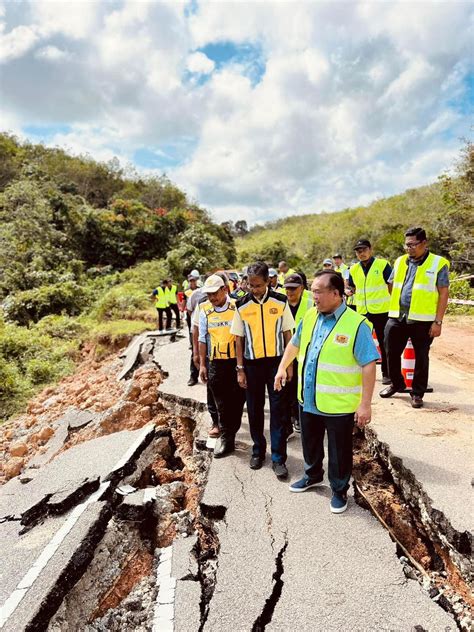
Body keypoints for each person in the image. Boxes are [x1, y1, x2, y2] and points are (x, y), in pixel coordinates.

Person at [274, 270, 378, 513]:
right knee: (309, 443)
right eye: (313, 291)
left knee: (339, 451)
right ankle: (312, 475)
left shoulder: (357, 324)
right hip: (308, 397)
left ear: (336, 294)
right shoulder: (310, 315)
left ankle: (339, 490)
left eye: (319, 291)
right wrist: (282, 367)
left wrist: (365, 404)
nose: (314, 296)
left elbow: (368, 364)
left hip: (338, 403)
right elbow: (295, 343)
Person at [231, 262, 295, 479]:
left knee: (278, 411)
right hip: (252, 365)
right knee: (255, 409)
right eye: (251, 285)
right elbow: (238, 340)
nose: (254, 289)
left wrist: (288, 365)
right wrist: (240, 369)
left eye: (258, 285)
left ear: (268, 281)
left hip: (276, 364)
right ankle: (258, 451)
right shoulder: (241, 305)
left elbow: (288, 335)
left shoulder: (281, 301)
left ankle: (278, 458)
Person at [380, 227, 450, 408]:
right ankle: (397, 384)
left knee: (421, 357)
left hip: (423, 320)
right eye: (406, 245)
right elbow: (391, 285)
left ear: (424, 243)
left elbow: (443, 293)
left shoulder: (438, 263)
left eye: (413, 245)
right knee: (390, 353)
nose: (408, 248)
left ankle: (417, 393)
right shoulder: (400, 261)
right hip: (397, 317)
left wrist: (438, 321)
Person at [198, 274, 246, 457]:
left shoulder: (237, 308)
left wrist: (242, 367)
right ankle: (227, 438)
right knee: (222, 403)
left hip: (236, 362)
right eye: (209, 295)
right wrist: (202, 365)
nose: (212, 298)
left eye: (215, 294)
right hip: (216, 363)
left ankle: (231, 431)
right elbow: (202, 339)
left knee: (238, 400)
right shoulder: (205, 312)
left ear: (224, 290)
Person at [348, 239, 392, 385]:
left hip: (382, 311)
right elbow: (353, 288)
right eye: (358, 251)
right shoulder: (353, 269)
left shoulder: (383, 265)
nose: (362, 253)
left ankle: (387, 374)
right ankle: (360, 372)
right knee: (361, 343)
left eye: (364, 250)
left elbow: (391, 285)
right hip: (363, 312)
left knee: (384, 343)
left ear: (370, 249)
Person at [283, 273, 314, 434]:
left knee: (299, 386)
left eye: (293, 289)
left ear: (301, 288)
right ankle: (289, 418)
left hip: (304, 354)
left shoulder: (311, 305)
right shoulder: (281, 304)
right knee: (286, 387)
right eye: (287, 289)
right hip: (285, 353)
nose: (290, 292)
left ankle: (298, 417)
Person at [185, 275, 202, 386]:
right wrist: (196, 322)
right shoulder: (195, 294)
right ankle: (193, 377)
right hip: (196, 327)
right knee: (195, 351)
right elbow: (190, 310)